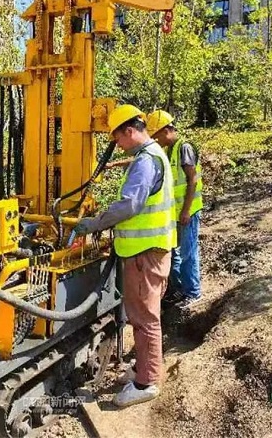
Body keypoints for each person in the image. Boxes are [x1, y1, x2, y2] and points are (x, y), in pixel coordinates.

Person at [72, 104, 176, 408]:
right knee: (143, 315)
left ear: (129, 131)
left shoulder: (146, 161)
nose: (117, 145)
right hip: (149, 252)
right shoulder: (153, 155)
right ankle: (144, 368)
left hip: (144, 254)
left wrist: (95, 223)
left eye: (117, 138)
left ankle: (146, 383)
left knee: (144, 318)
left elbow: (130, 205)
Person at [145, 110, 203, 309]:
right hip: (175, 213)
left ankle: (193, 292)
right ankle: (179, 288)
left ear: (166, 130)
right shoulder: (168, 151)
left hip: (188, 211)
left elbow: (193, 180)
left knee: (188, 253)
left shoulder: (184, 148)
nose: (156, 140)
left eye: (157, 135)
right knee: (174, 252)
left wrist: (186, 210)